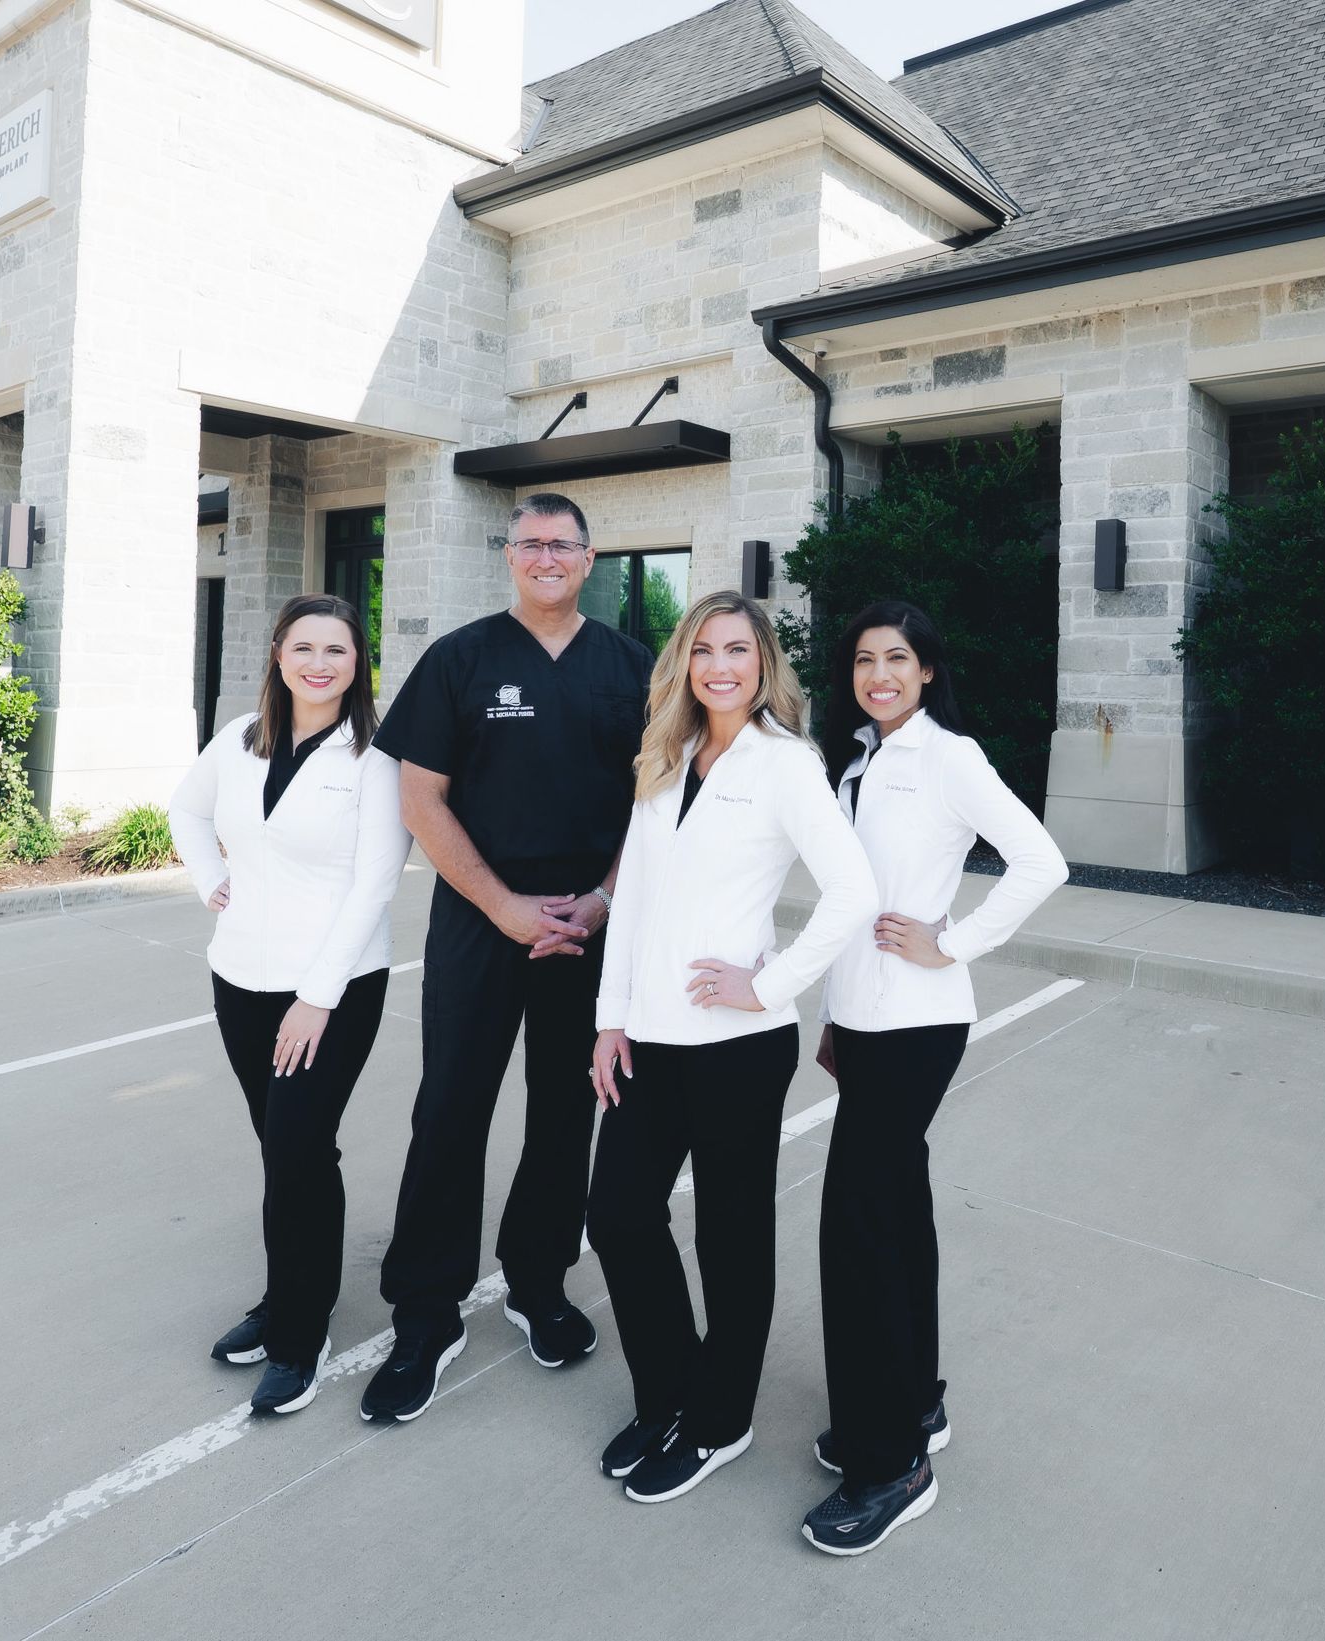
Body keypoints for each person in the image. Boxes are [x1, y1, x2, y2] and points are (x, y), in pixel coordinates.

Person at [359, 493, 653, 1423]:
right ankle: (425, 1309)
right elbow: (421, 798)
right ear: (508, 555)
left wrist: (603, 899)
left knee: (569, 1111)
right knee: (451, 1106)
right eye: (527, 542)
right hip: (480, 917)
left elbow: (656, 801)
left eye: (561, 543)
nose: (544, 556)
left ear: (589, 555)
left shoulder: (632, 666)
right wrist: (504, 908)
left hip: (590, 920)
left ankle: (538, 1281)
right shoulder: (460, 658)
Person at [587, 591, 878, 1504]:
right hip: (650, 1039)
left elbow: (853, 892)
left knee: (730, 1237)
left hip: (737, 1045)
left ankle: (719, 1418)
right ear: (684, 661)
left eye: (738, 651)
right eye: (704, 649)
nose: (720, 665)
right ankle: (670, 1389)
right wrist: (610, 1015)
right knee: (620, 1214)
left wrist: (769, 982)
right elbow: (631, 895)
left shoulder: (785, 763)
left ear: (762, 667)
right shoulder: (665, 757)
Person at [802, 599, 1067, 1555]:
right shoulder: (860, 757)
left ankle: (891, 1466)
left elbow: (1041, 861)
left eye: (897, 659)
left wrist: (950, 940)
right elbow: (851, 900)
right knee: (896, 1217)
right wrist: (836, 1014)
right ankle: (913, 1402)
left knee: (855, 1229)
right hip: (866, 1024)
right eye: (865, 661)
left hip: (918, 1024)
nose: (879, 675)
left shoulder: (948, 756)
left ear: (925, 670)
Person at [170, 592, 411, 1417]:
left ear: (357, 664)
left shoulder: (376, 755)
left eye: (336, 650)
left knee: (301, 1147)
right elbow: (186, 810)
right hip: (238, 976)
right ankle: (284, 1296)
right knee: (281, 1150)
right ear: (277, 652)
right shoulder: (238, 737)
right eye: (303, 646)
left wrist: (315, 998)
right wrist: (211, 880)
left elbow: (378, 880)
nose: (318, 663)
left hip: (332, 988)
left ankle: (299, 1335)